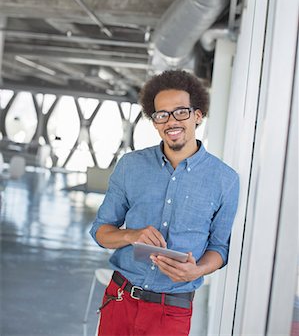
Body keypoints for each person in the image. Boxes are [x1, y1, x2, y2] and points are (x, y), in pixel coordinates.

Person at [90, 69, 239, 336]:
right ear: (155, 121)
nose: (171, 121)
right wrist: (132, 235)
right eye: (162, 114)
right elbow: (101, 232)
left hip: (172, 311)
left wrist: (197, 271)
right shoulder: (130, 166)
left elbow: (220, 247)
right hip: (120, 299)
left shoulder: (225, 180)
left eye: (181, 111)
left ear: (197, 115)